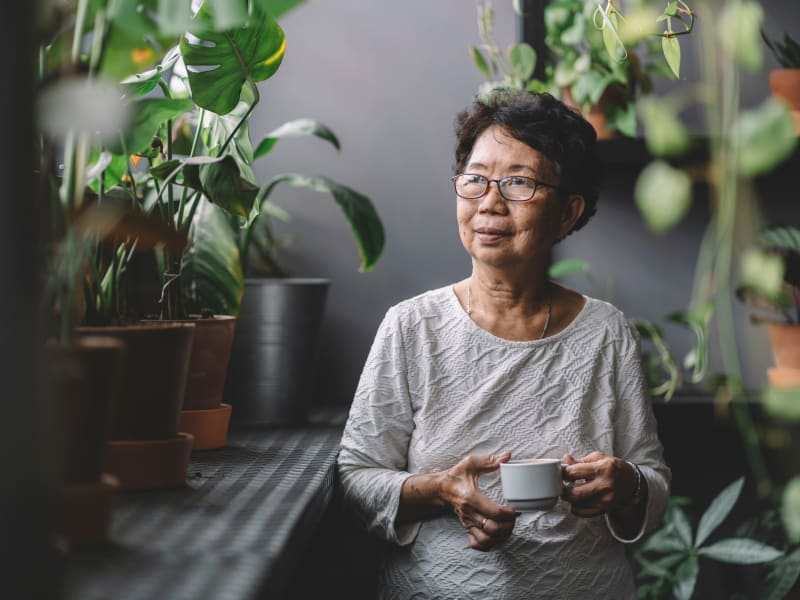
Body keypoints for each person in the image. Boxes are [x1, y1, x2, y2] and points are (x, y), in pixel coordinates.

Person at [337, 90, 671, 599]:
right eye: (475, 178)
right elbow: (356, 477)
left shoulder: (606, 332)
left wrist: (625, 484)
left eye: (519, 182)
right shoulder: (412, 326)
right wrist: (441, 490)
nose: (489, 202)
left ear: (567, 213)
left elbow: (653, 483)